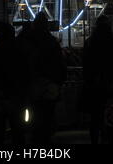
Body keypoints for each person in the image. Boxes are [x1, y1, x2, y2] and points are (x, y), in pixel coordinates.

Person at [26, 12, 67, 144]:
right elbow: (60, 64)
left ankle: (35, 136)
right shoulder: (52, 42)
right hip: (50, 85)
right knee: (47, 114)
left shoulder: (29, 41)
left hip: (33, 84)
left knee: (34, 114)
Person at [83, 15, 113, 144]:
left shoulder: (90, 43)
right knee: (109, 117)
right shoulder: (112, 43)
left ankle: (95, 140)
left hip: (93, 85)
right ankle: (108, 140)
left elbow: (85, 64)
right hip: (109, 85)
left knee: (95, 119)